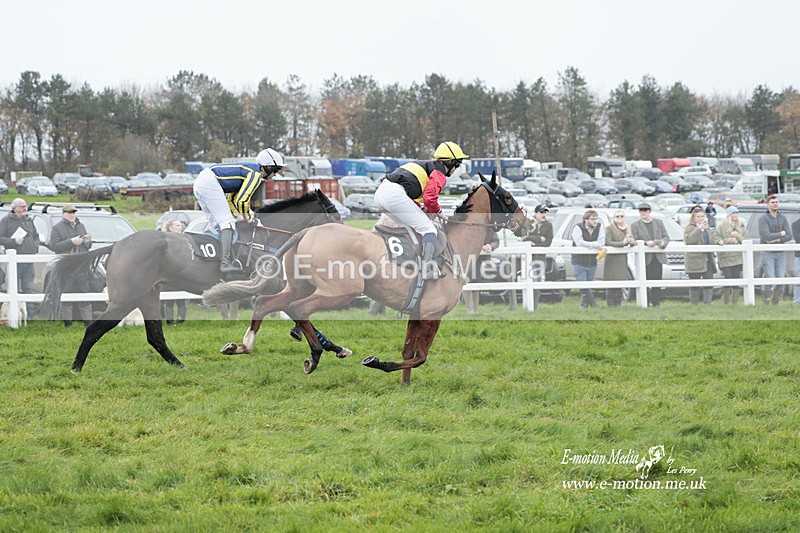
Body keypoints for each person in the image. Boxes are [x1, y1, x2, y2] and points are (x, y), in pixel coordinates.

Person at [373, 141, 469, 279]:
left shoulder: (426, 165)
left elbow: (412, 198)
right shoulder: (439, 173)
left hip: (382, 194)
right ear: (449, 162)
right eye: (457, 164)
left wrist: (422, 208)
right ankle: (427, 268)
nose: (456, 169)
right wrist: (438, 211)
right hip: (394, 196)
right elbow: (430, 198)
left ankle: (408, 261)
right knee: (429, 230)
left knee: (411, 228)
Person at [193, 148, 286, 273]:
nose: (275, 174)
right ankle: (225, 263)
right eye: (276, 170)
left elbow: (232, 200)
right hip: (209, 182)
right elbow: (242, 201)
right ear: (268, 166)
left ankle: (208, 259)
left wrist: (239, 215)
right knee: (227, 223)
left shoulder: (249, 171)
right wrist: (249, 219)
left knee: (215, 225)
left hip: (203, 181)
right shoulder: (255, 174)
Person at [47, 203, 93, 326]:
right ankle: (68, 323)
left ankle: (87, 323)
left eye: (73, 212)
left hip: (81, 265)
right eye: (69, 212)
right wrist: (71, 242)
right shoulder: (57, 228)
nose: (72, 215)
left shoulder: (81, 226)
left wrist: (88, 242)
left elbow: (86, 247)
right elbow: (54, 246)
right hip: (67, 266)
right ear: (63, 214)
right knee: (67, 291)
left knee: (84, 291)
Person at [0, 198, 40, 316]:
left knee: (28, 288)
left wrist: (34, 246)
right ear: (14, 208)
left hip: (29, 259)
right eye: (22, 206)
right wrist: (13, 241)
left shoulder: (29, 220)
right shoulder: (6, 221)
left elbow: (36, 236)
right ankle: (14, 315)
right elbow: (1, 238)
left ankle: (29, 316)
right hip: (14, 261)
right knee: (13, 289)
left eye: (25, 206)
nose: (25, 208)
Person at [630, 203, 669, 308]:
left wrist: (662, 243)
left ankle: (656, 303)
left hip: (657, 257)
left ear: (649, 211)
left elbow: (666, 237)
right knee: (645, 280)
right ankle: (645, 303)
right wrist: (646, 243)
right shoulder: (635, 225)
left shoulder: (659, 222)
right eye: (641, 210)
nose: (643, 212)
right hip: (644, 258)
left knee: (657, 281)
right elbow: (634, 240)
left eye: (645, 210)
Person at [758, 194, 792, 305]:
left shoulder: (782, 218)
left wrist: (776, 240)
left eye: (776, 202)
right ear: (767, 204)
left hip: (780, 252)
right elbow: (766, 236)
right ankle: (766, 301)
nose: (775, 204)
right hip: (768, 252)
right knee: (769, 276)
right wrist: (780, 234)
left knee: (781, 277)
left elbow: (789, 235)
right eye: (773, 202)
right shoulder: (763, 218)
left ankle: (776, 301)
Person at [684, 206, 718, 305]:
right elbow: (689, 240)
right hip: (695, 260)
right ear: (694, 218)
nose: (701, 218)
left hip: (708, 259)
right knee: (694, 283)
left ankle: (707, 304)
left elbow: (712, 238)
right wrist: (698, 229)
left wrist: (718, 241)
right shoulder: (689, 228)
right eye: (698, 217)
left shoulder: (707, 228)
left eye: (702, 216)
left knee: (709, 282)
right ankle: (694, 304)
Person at [571, 209, 605, 308]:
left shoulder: (599, 227)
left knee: (588, 286)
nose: (595, 221)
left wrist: (594, 245)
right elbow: (579, 243)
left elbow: (601, 241)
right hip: (579, 261)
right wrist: (594, 244)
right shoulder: (577, 228)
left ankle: (583, 307)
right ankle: (595, 305)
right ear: (586, 219)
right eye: (592, 219)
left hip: (592, 262)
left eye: (596, 219)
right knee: (584, 286)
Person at [717, 205, 749, 305]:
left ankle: (734, 303)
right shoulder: (721, 226)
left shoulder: (741, 225)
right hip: (725, 257)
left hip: (738, 257)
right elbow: (717, 239)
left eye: (736, 213)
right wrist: (730, 240)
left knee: (736, 279)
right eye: (733, 213)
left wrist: (737, 235)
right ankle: (726, 303)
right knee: (728, 279)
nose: (735, 215)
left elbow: (746, 240)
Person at [523, 204, 553, 309]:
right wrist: (539, 238)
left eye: (545, 212)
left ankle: (534, 307)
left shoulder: (549, 225)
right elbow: (524, 237)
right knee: (529, 281)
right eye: (541, 212)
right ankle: (529, 306)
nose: (544, 214)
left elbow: (548, 242)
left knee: (537, 283)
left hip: (540, 258)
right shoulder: (529, 223)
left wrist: (534, 243)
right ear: (536, 213)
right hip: (529, 258)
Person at [159, 219, 188, 324]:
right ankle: (169, 320)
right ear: (171, 228)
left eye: (180, 225)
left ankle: (181, 320)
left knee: (181, 300)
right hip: (169, 273)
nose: (180, 227)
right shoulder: (166, 239)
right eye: (177, 225)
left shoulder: (184, 238)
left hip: (181, 273)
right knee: (169, 300)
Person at [605, 210, 635, 307]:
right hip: (612, 259)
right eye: (617, 216)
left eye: (621, 216)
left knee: (620, 282)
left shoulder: (628, 228)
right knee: (611, 283)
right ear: (614, 218)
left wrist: (631, 241)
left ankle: (618, 303)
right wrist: (622, 243)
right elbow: (608, 242)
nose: (619, 218)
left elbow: (631, 242)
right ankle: (611, 303)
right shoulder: (609, 228)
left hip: (622, 258)